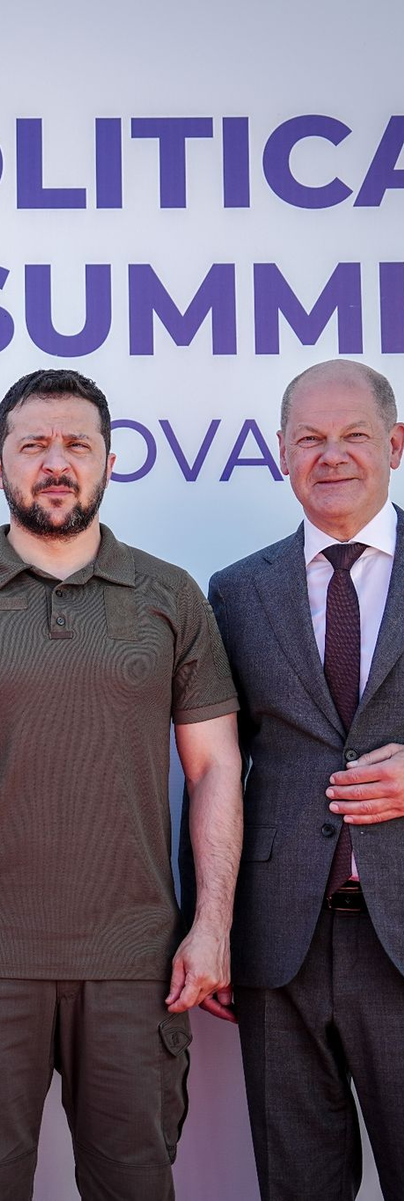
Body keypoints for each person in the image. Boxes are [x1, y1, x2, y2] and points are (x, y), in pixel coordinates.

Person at [0, 368, 244, 1200]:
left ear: (110, 460)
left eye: (77, 443)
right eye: (33, 443)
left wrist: (212, 926)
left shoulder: (170, 596)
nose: (56, 460)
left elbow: (214, 767)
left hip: (137, 963)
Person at [205, 360, 404, 1200]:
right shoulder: (237, 590)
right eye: (311, 438)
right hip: (279, 943)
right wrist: (206, 925)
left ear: (394, 444)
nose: (333, 455)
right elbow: (212, 768)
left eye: (354, 434)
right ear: (280, 452)